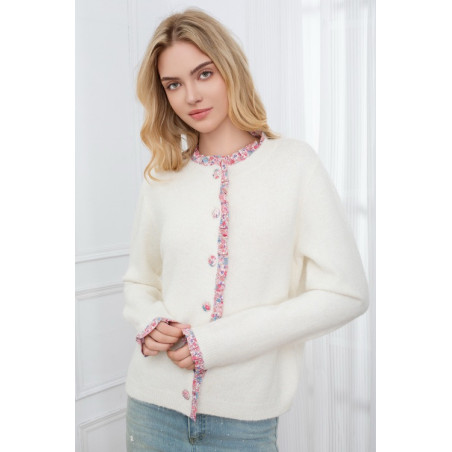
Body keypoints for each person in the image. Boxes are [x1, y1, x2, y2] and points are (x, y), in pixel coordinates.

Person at [122, 8, 369, 452]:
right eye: (173, 84)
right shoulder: (162, 177)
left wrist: (217, 343)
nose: (191, 96)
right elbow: (140, 281)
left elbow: (346, 293)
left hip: (242, 421)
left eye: (204, 73)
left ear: (230, 69)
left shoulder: (295, 165)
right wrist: (150, 322)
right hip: (151, 408)